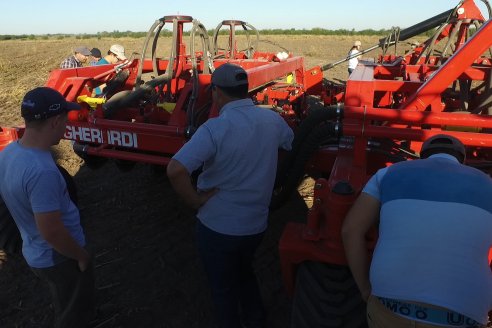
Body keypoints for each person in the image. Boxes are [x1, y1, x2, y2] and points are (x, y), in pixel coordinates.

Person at [167, 63, 294, 328]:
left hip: (218, 228)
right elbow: (290, 142)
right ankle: (257, 320)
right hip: (255, 227)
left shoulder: (214, 129)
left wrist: (195, 201)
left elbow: (175, 169)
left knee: (223, 290)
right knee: (245, 272)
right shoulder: (271, 120)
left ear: (216, 93)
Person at [342, 134, 492, 328]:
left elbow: (350, 230)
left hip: (390, 304)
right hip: (462, 314)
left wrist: (364, 289)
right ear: (461, 160)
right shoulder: (488, 184)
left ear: (423, 156)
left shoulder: (387, 174)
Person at [0, 87, 95, 328]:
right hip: (59, 258)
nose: (66, 126)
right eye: (65, 120)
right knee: (73, 314)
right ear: (55, 121)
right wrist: (80, 256)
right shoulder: (42, 171)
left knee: (63, 300)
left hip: (34, 251)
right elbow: (51, 231)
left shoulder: (9, 153)